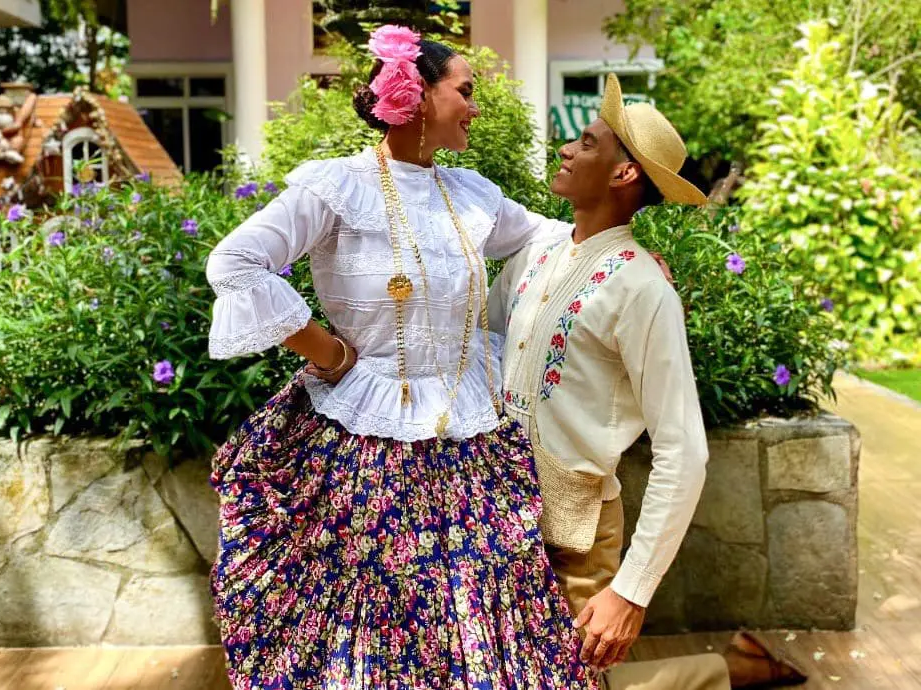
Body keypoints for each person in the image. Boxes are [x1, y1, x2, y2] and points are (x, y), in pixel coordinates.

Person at [205, 25, 598, 689]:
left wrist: (627, 254)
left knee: (482, 603)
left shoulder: (470, 193)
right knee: (367, 609)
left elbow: (552, 238)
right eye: (466, 91)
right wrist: (327, 351)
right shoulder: (337, 187)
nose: (477, 106)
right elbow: (236, 261)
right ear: (416, 97)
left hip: (471, 434)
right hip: (363, 438)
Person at [489, 74, 808, 690]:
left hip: (576, 536)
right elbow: (484, 343)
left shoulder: (642, 290)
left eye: (586, 143)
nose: (566, 150)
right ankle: (732, 666)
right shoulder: (538, 253)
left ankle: (728, 669)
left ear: (622, 175)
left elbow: (684, 451)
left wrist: (631, 591)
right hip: (500, 517)